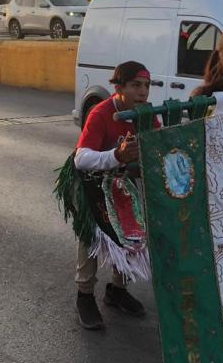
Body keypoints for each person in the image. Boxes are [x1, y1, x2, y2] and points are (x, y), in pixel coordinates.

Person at [55, 61, 160, 330]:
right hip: (90, 180)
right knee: (93, 234)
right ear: (119, 87)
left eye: (146, 86)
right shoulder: (101, 113)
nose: (143, 92)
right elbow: (82, 158)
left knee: (130, 233)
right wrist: (117, 156)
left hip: (122, 181)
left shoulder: (148, 116)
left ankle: (117, 290)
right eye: (136, 85)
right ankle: (85, 295)